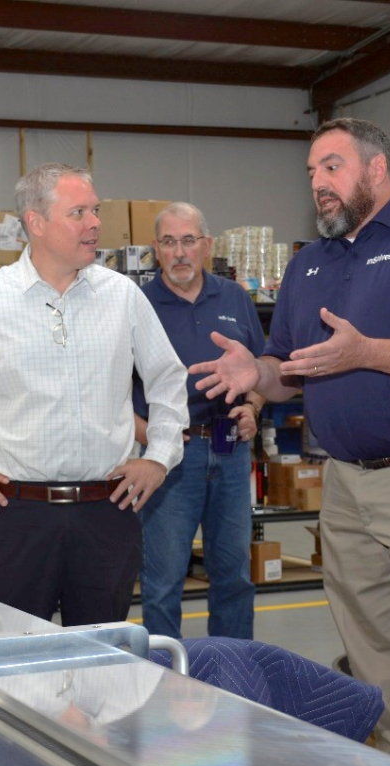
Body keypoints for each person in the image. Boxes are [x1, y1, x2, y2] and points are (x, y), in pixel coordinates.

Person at [189, 118, 390, 766]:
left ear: (377, 168)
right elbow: (291, 370)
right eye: (310, 173)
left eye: (331, 167)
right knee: (373, 649)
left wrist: (367, 352)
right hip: (348, 482)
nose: (318, 185)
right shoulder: (311, 264)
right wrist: (257, 377)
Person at [0, 162, 188, 627]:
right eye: (79, 212)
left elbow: (168, 378)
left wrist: (159, 457)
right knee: (14, 665)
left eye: (95, 210)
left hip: (107, 511)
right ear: (35, 222)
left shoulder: (123, 296)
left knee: (102, 658)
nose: (95, 223)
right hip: (15, 515)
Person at [133, 201, 265, 640]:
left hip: (230, 450)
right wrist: (155, 440)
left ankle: (233, 676)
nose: (180, 252)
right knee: (163, 584)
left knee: (233, 578)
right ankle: (163, 682)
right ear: (155, 249)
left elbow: (262, 370)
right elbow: (109, 392)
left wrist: (254, 407)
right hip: (170, 461)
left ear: (206, 245)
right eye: (169, 242)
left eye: (188, 241)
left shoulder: (235, 299)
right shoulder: (135, 304)